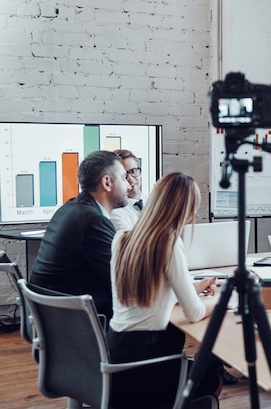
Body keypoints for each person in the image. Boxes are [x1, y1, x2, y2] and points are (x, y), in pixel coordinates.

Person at [107, 172, 222, 408]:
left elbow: (151, 290)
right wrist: (223, 302)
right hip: (149, 366)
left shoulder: (122, 238)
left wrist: (194, 288)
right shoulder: (169, 241)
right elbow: (195, 313)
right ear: (185, 209)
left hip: (116, 358)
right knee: (211, 377)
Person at [31, 150, 130, 321]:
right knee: (168, 329)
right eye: (123, 178)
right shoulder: (92, 221)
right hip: (74, 319)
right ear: (107, 182)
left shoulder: (72, 208)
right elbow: (123, 277)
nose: (129, 185)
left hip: (52, 314)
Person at [110, 149, 143, 231]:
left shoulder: (153, 200)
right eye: (124, 175)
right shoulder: (114, 212)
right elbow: (131, 242)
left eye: (133, 171)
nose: (130, 179)